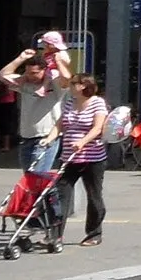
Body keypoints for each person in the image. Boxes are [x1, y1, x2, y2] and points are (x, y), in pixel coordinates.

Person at [0, 41, 70, 172]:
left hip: (46, 136)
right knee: (30, 178)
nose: (31, 76)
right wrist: (21, 58)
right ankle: (53, 192)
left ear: (44, 71)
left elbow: (66, 78)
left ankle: (54, 192)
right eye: (28, 72)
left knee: (37, 176)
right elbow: (2, 75)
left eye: (35, 73)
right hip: (26, 137)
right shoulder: (24, 82)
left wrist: (59, 62)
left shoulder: (54, 84)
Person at [55, 73, 109, 246]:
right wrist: (48, 139)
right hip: (69, 157)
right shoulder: (70, 102)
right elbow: (60, 124)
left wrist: (83, 141)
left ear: (83, 86)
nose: (70, 86)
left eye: (73, 84)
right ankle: (54, 234)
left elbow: (98, 127)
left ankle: (94, 233)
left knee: (94, 196)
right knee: (60, 195)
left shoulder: (97, 102)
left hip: (92, 157)